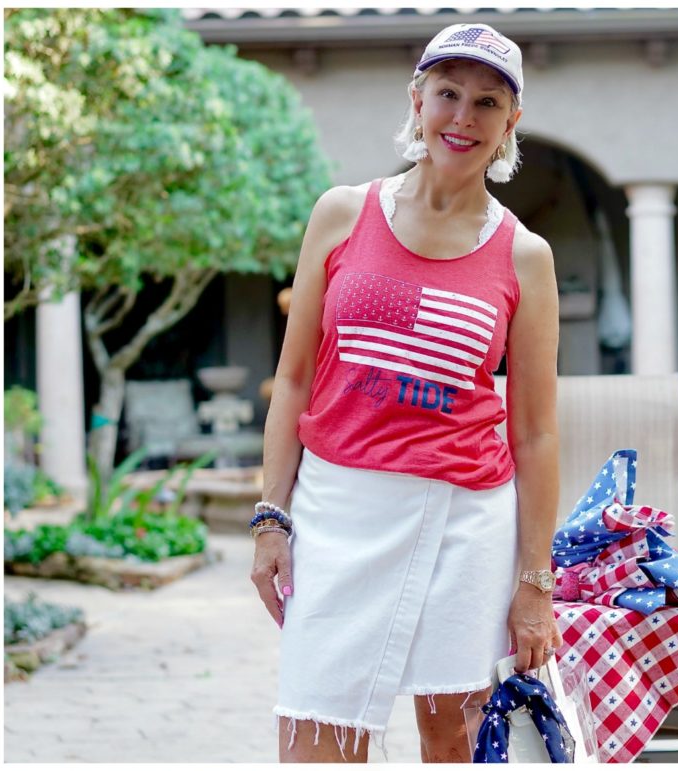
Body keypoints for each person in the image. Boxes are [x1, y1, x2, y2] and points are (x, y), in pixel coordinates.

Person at [249, 23, 562, 763]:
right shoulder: (341, 213)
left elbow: (538, 434)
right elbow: (294, 379)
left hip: (467, 521)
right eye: (447, 93)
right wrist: (271, 516)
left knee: (453, 739)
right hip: (339, 510)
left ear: (510, 122)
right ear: (416, 98)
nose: (463, 117)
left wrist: (535, 582)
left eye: (487, 102)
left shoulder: (525, 255)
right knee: (316, 736)